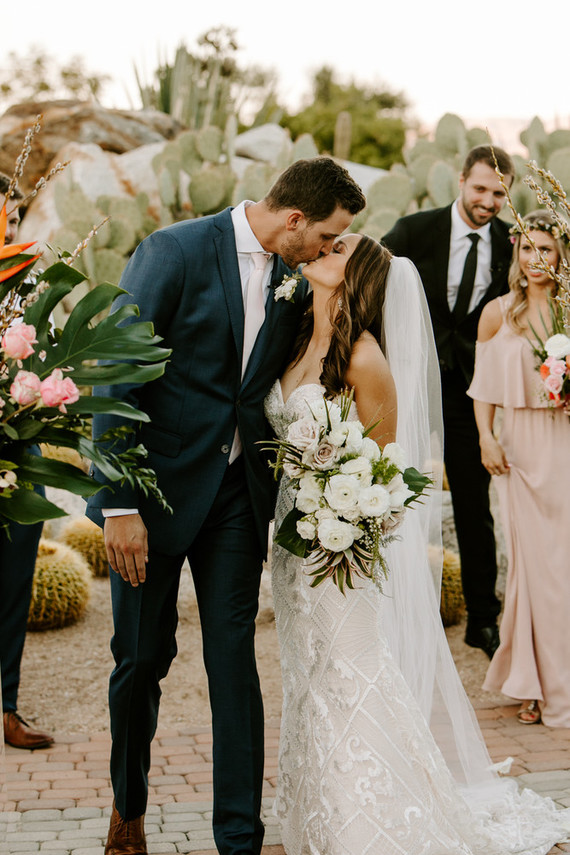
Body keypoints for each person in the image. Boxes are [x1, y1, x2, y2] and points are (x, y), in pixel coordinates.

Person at [85, 157, 366, 855]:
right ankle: (129, 804)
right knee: (140, 660)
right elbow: (115, 370)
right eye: (327, 235)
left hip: (238, 498)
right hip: (153, 498)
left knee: (233, 663)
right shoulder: (173, 251)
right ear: (294, 218)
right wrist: (120, 502)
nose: (329, 249)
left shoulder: (295, 279)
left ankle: (239, 836)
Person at [265, 232, 570, 854]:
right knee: (309, 679)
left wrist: (341, 524)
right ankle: (319, 807)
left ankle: (370, 822)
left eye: (339, 245)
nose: (324, 246)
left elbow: (384, 471)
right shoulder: (293, 337)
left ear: (359, 275)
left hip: (340, 548)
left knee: (354, 672)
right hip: (291, 545)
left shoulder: (366, 359)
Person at [382, 145, 515, 659]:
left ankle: (483, 619)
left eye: (499, 193)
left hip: (471, 391)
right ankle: (396, 610)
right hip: (410, 382)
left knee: (472, 504)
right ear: (461, 180)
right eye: (480, 188)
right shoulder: (416, 231)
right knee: (396, 493)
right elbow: (371, 276)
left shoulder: (511, 244)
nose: (488, 200)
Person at [468, 211, 570, 727]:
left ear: (561, 254)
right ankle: (531, 681)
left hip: (565, 446)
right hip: (518, 451)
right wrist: (486, 437)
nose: (535, 260)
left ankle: (559, 681)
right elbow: (484, 389)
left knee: (563, 567)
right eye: (527, 249)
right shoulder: (496, 314)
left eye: (546, 250)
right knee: (528, 567)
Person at [0, 175, 54, 751]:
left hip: (19, 451)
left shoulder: (29, 279)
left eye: (13, 219)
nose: (10, 230)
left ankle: (6, 708)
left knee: (13, 585)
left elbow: (47, 354)